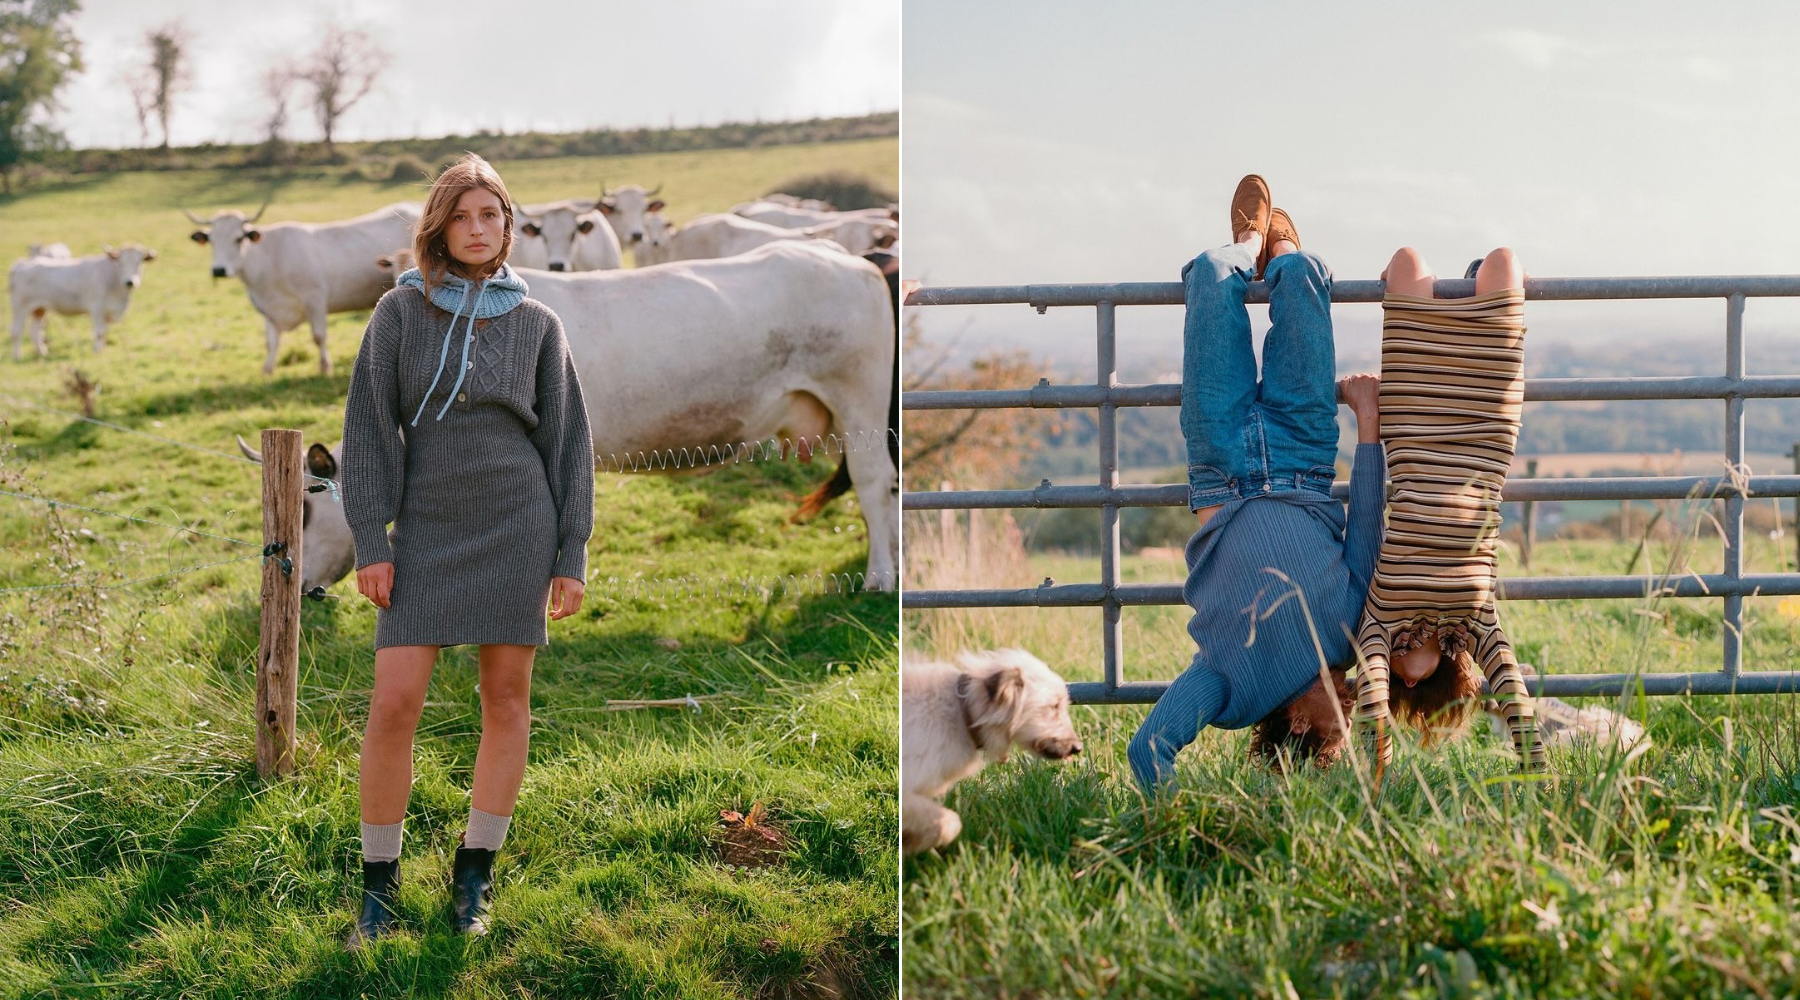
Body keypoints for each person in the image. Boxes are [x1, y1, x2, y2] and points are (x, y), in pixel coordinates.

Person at [339, 153, 595, 947]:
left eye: (493, 215)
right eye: (464, 216)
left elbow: (567, 445)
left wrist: (570, 551)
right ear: (439, 228)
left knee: (506, 701)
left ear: (510, 226)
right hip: (424, 531)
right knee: (394, 703)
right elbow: (369, 430)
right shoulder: (400, 314)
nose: (480, 229)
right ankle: (377, 889)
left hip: (518, 524)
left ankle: (473, 875)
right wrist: (370, 538)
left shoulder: (538, 324)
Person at [1126, 175, 1387, 793]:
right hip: (1305, 456)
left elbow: (1147, 752)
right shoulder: (1347, 639)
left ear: (1297, 726)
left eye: (1337, 725)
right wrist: (1368, 427)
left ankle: (1246, 242)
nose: (1349, 704)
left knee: (1215, 279)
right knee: (1303, 282)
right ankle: (1283, 254)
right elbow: (1367, 531)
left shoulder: (1228, 689)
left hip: (1222, 467)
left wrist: (1181, 830)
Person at [1350, 244, 1545, 777]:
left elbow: (1369, 702)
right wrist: (1539, 772)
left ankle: (1465, 280)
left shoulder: (1380, 620)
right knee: (1503, 263)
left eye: (1395, 681)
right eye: (1410, 686)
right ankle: (1477, 279)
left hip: (1414, 424)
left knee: (1407, 263)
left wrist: (1378, 782)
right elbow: (1513, 694)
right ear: (1431, 679)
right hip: (1485, 437)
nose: (1401, 680)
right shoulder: (1477, 623)